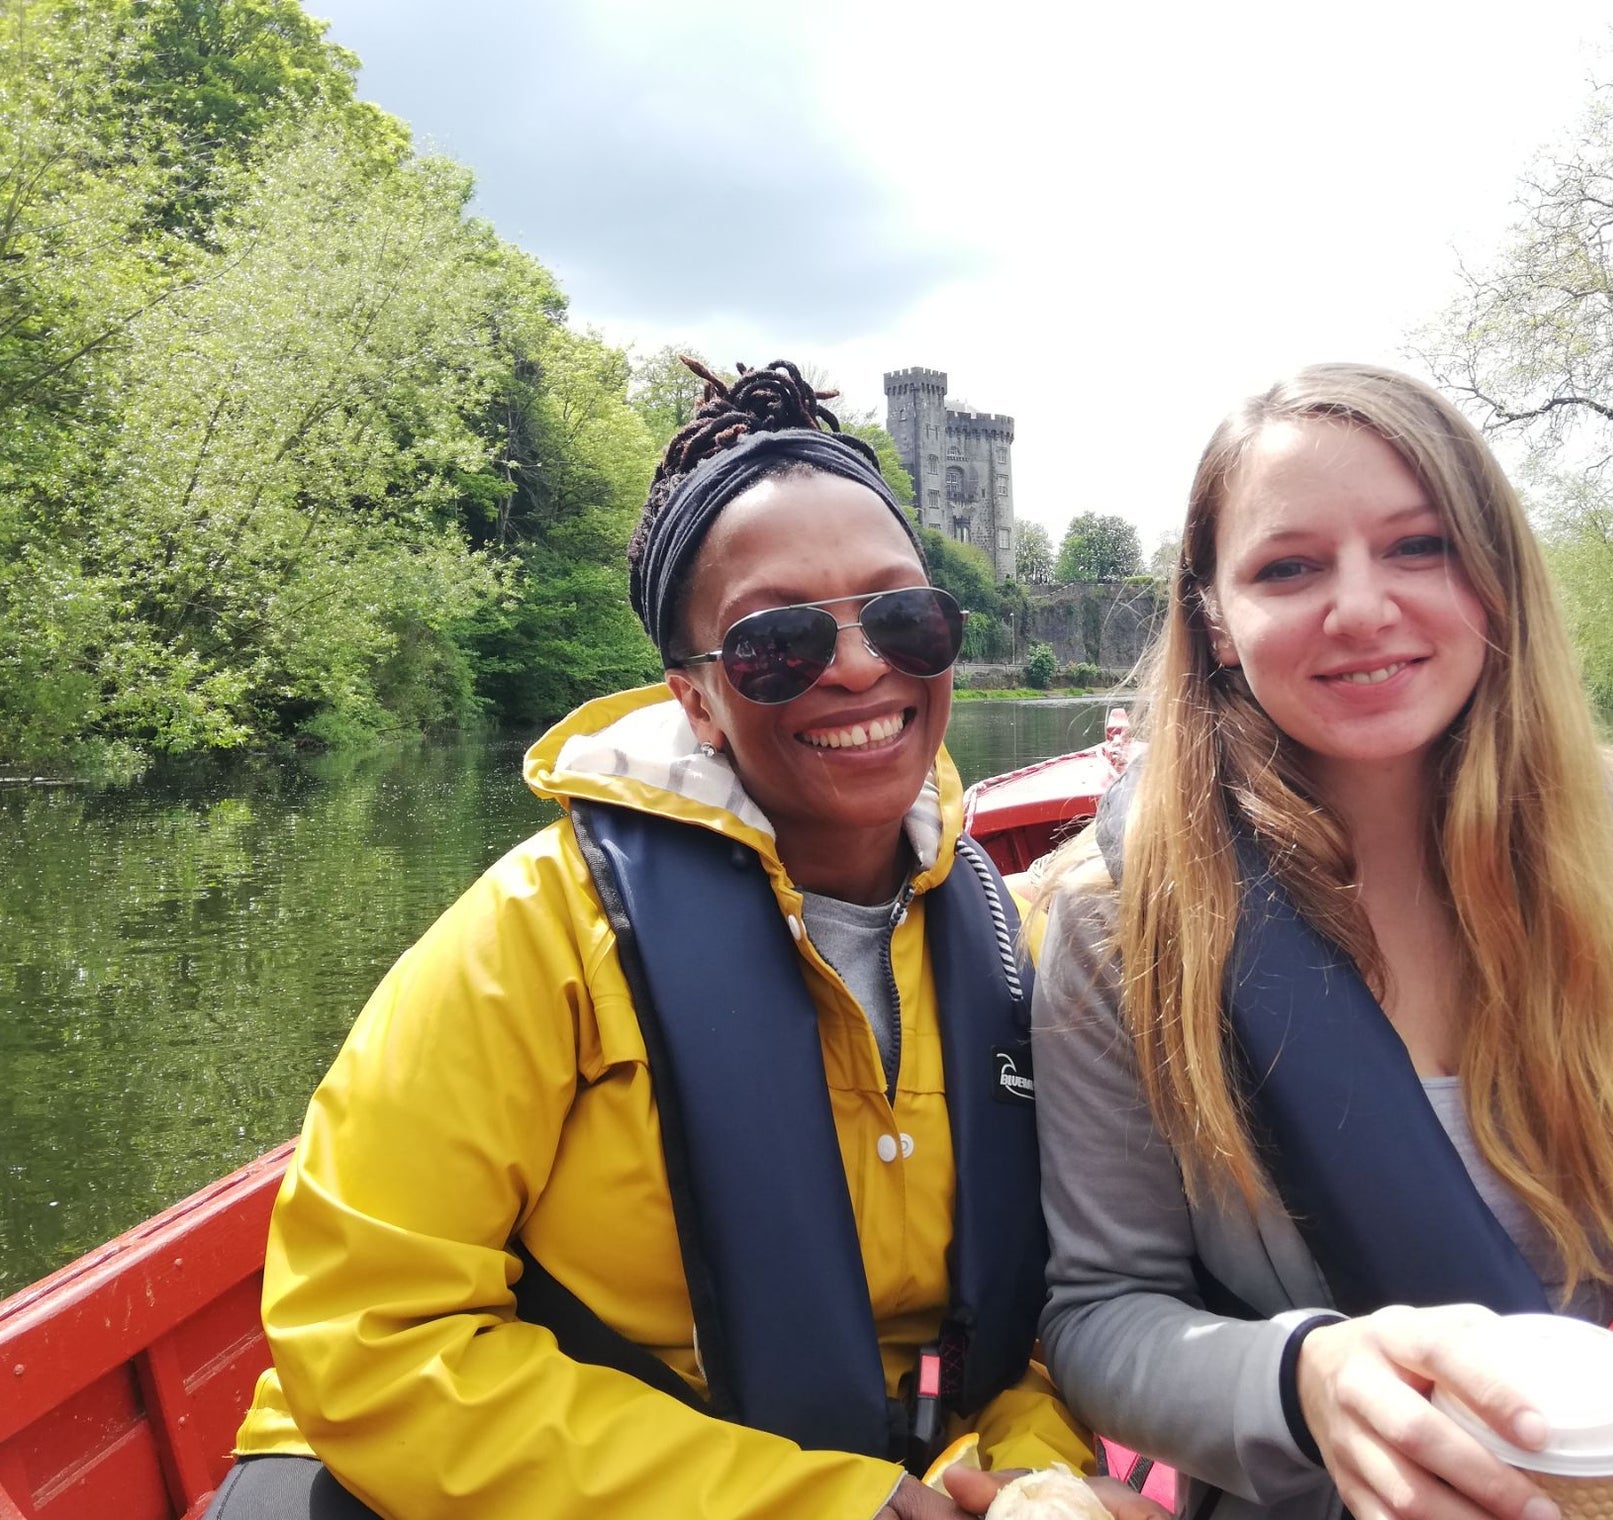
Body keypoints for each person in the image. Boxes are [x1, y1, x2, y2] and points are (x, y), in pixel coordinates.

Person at [208, 360, 1162, 1520]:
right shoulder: (534, 939)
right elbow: (369, 1336)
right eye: (778, 643)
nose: (861, 664)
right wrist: (815, 1504)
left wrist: (1017, 1470)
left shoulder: (1004, 950)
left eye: (906, 616)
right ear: (696, 698)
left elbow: (1042, 1323)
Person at [1028, 364, 1613, 1520]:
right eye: (1287, 567)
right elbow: (1101, 1310)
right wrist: (1301, 1378)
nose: (1360, 606)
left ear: (1497, 580)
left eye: (1419, 545)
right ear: (1216, 619)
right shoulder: (1118, 927)